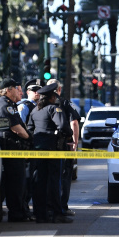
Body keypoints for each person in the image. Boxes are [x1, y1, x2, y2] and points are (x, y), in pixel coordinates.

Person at [27, 83, 74, 223]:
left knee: (39, 182)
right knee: (54, 182)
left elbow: (30, 129)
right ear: (52, 97)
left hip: (38, 150)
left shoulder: (35, 110)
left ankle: (40, 214)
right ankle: (57, 213)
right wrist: (68, 135)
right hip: (53, 150)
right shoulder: (54, 109)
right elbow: (64, 127)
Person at [0, 78, 32, 222]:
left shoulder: (8, 104)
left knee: (14, 182)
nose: (19, 91)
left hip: (10, 147)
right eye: (16, 88)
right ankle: (16, 214)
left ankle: (16, 211)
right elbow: (16, 128)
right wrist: (29, 137)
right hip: (10, 148)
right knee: (16, 183)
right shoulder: (4, 105)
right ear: (8, 89)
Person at [47, 79, 81, 216]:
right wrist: (75, 142)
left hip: (47, 145)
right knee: (65, 176)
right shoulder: (66, 103)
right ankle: (62, 207)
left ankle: (49, 206)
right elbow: (74, 122)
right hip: (63, 145)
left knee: (50, 177)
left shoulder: (42, 103)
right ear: (59, 89)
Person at [17, 79, 45, 218]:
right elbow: (21, 126)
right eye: (34, 90)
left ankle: (28, 208)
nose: (37, 93)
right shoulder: (24, 106)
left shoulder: (38, 106)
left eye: (39, 90)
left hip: (35, 147)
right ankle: (24, 208)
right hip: (27, 147)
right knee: (26, 180)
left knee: (34, 180)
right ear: (28, 92)